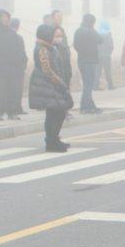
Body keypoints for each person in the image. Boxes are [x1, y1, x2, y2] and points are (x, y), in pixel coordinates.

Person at [28, 24, 73, 152]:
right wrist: (59, 82)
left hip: (54, 84)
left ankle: (55, 139)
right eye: (54, 35)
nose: (56, 38)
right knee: (53, 113)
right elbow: (47, 70)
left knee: (59, 112)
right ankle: (51, 141)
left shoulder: (51, 48)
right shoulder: (42, 49)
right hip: (47, 85)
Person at [0, 9, 27, 122]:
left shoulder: (13, 34)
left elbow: (20, 51)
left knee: (14, 90)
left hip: (14, 68)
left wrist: (21, 64)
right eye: (3, 17)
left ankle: (12, 112)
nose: (6, 19)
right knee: (0, 91)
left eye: (7, 17)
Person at [72, 13, 102, 114]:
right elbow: (100, 39)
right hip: (90, 61)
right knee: (88, 85)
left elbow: (75, 45)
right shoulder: (90, 31)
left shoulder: (78, 31)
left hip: (82, 60)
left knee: (87, 84)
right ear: (91, 22)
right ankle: (84, 107)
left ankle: (90, 105)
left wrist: (82, 52)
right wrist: (93, 29)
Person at [50, 10, 73, 88]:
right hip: (57, 65)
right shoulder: (50, 30)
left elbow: (64, 45)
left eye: (61, 17)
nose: (60, 19)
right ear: (52, 18)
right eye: (58, 17)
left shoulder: (61, 29)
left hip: (65, 63)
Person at [95, 19, 114, 91]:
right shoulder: (108, 35)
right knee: (108, 71)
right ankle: (110, 85)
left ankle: (95, 86)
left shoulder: (97, 34)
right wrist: (109, 53)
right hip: (106, 56)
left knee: (98, 71)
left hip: (98, 56)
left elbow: (95, 45)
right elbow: (111, 46)